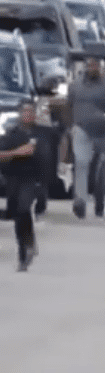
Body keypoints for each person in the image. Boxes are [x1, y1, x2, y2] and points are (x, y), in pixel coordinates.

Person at [67, 53, 105, 220]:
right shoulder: (75, 86)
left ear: (100, 67)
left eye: (95, 65)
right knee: (81, 164)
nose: (92, 68)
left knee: (101, 170)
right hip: (82, 129)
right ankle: (80, 201)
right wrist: (70, 126)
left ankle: (99, 202)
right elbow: (68, 106)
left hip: (104, 133)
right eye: (89, 65)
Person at [0, 100, 44, 271]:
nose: (28, 115)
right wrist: (17, 152)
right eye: (24, 111)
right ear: (19, 114)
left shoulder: (42, 133)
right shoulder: (12, 134)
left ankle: (25, 252)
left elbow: (47, 155)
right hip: (13, 177)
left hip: (32, 179)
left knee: (23, 208)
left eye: (31, 111)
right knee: (17, 215)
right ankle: (27, 245)